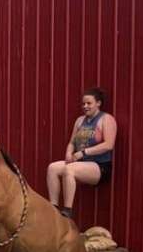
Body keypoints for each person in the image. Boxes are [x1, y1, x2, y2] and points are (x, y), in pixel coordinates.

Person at [47, 87, 117, 218]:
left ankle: (67, 211)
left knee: (69, 170)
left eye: (89, 103)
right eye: (83, 103)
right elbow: (72, 142)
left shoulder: (106, 119)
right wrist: (69, 153)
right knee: (52, 168)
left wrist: (84, 153)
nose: (85, 106)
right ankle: (53, 208)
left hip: (99, 166)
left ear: (98, 103)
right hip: (81, 163)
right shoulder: (80, 120)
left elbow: (109, 145)